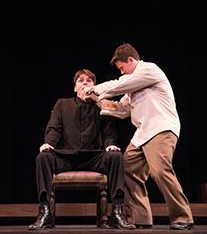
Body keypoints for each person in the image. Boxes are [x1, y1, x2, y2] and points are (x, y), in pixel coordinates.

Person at [82, 43, 194, 230]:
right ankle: (141, 217)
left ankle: (183, 216)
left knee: (160, 170)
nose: (122, 72)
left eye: (122, 68)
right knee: (126, 168)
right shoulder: (132, 85)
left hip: (161, 129)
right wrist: (97, 99)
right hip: (143, 134)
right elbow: (121, 109)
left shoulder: (149, 70)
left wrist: (95, 89)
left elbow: (120, 84)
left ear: (131, 60)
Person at [28, 69, 136, 230]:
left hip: (93, 157)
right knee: (43, 157)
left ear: (95, 86)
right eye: (81, 80)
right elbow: (54, 128)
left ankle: (117, 212)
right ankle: (45, 213)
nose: (85, 82)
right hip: (66, 157)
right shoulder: (62, 104)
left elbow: (109, 132)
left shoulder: (102, 104)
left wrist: (110, 145)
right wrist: (49, 143)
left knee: (115, 156)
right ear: (75, 88)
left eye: (89, 80)